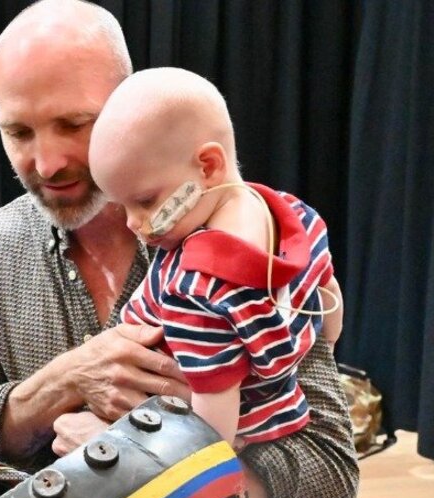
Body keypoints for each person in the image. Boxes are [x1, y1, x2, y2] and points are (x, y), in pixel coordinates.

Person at [0, 0, 358, 498]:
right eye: (19, 132)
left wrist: (134, 467)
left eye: (75, 125)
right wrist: (62, 382)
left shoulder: (255, 243)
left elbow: (331, 475)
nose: (47, 161)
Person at [89, 67, 344, 448]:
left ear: (208, 166)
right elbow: (328, 299)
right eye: (121, 206)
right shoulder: (300, 216)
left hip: (170, 414)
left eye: (144, 201)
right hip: (275, 402)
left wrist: (210, 461)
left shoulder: (196, 292)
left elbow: (214, 406)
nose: (132, 224)